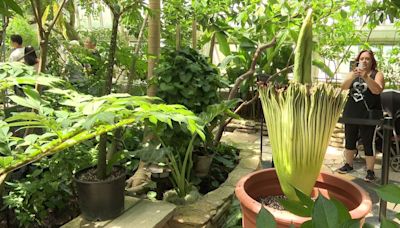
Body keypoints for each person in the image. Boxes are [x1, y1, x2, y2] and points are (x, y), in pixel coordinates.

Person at [338, 50, 385, 182]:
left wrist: (366, 77)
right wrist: (353, 76)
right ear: (358, 60)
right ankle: (349, 164)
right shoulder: (352, 74)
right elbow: (343, 87)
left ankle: (370, 170)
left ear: (372, 61)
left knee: (368, 142)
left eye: (367, 59)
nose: (364, 61)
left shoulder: (377, 74)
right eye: (362, 58)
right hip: (351, 112)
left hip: (368, 115)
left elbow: (377, 90)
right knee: (350, 139)